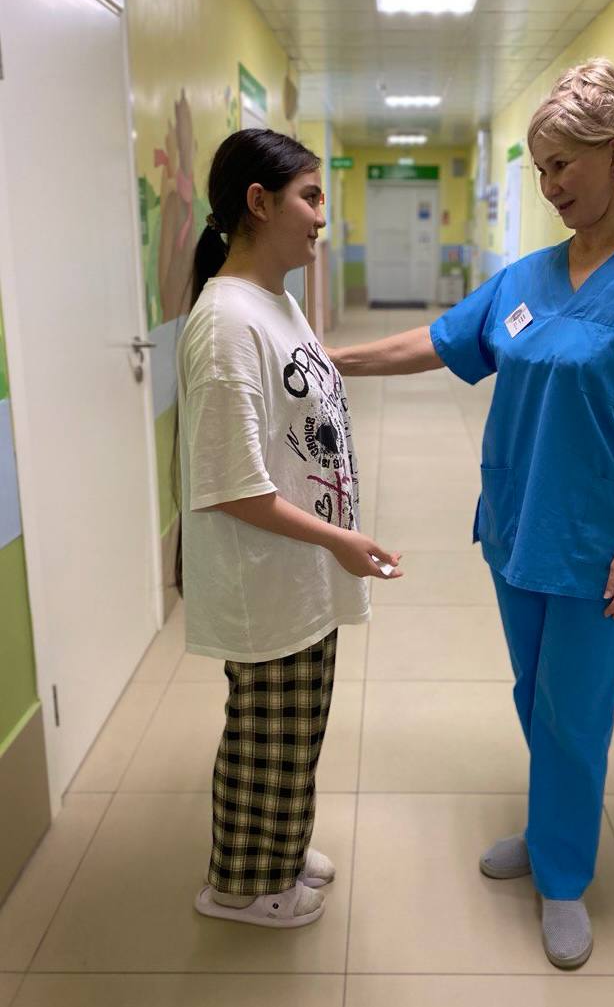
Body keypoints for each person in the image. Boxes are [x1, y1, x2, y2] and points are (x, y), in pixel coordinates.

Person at [329, 59, 614, 968]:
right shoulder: (526, 277)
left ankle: (563, 875)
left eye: (562, 166)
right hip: (517, 523)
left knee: (575, 710)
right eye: (540, 169)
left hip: (599, 539)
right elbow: (438, 341)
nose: (549, 187)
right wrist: (331, 357)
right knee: (532, 694)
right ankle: (551, 824)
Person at [175, 129, 402, 930]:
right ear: (259, 203)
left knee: (295, 728)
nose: (321, 218)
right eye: (309, 198)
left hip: (298, 567)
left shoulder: (276, 302)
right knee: (265, 737)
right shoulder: (226, 325)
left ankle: (280, 847)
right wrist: (342, 540)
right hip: (265, 572)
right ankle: (243, 887)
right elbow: (233, 486)